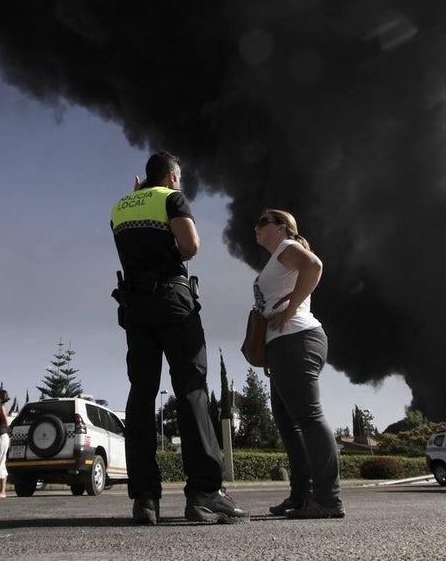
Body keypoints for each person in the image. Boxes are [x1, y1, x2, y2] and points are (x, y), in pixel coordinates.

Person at [110, 152, 245, 525]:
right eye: (179, 178)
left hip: (135, 307)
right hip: (171, 300)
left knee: (141, 394)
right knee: (191, 390)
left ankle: (145, 499)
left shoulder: (120, 206)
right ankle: (204, 493)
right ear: (171, 176)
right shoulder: (171, 198)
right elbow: (191, 247)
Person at [252, 208, 343, 519]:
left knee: (308, 418)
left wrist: (290, 310)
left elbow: (314, 266)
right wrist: (268, 352)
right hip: (283, 347)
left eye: (263, 222)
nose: (257, 227)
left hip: (297, 339)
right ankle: (301, 496)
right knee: (288, 425)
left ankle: (328, 499)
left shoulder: (288, 248)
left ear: (282, 228)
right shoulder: (277, 256)